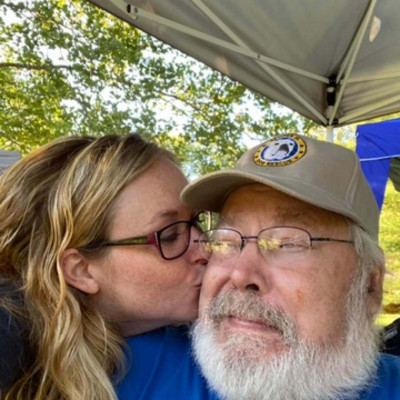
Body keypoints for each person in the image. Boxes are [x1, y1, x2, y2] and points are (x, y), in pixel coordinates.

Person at [181, 133, 400, 400]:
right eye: (226, 241)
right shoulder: (146, 370)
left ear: (369, 286)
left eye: (288, 244)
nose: (240, 274)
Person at [0, 134, 213, 400]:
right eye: (169, 236)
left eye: (196, 222)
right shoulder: (14, 345)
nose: (206, 249)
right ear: (81, 271)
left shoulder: (213, 356)